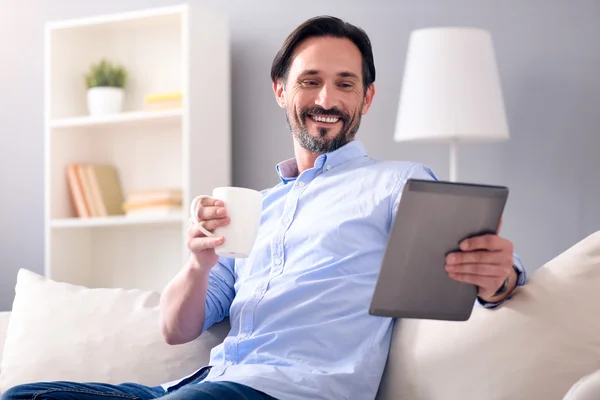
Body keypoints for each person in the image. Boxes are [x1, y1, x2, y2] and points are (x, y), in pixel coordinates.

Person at [2, 15, 526, 400]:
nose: (327, 97)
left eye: (346, 84)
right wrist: (199, 262)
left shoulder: (396, 183)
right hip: (201, 386)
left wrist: (497, 280)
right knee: (22, 398)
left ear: (366, 99)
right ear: (281, 90)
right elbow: (176, 329)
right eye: (310, 80)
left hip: (292, 391)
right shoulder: (257, 208)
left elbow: (470, 273)